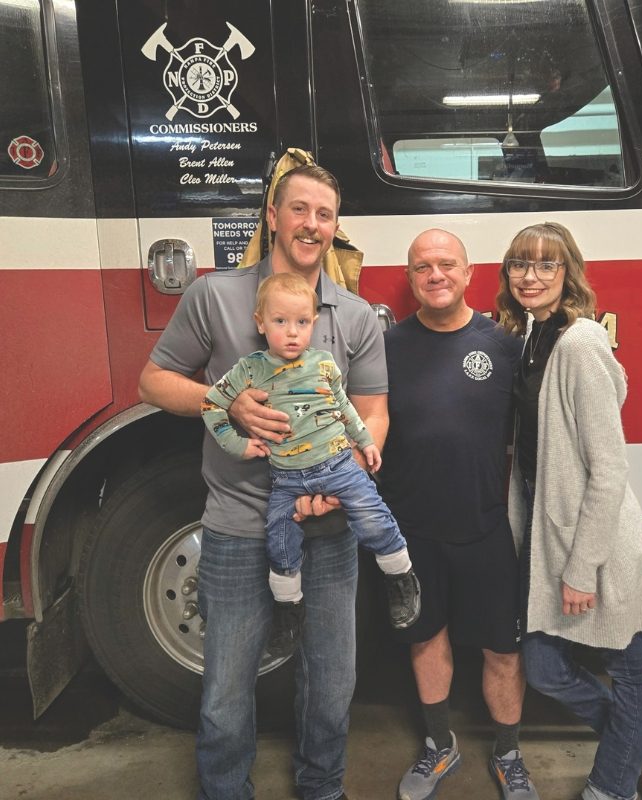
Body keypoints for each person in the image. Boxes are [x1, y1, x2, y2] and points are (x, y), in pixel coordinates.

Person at [139, 163, 387, 800]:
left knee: (332, 690)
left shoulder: (356, 316)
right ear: (272, 217)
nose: (311, 224)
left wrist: (348, 475)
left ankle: (322, 789)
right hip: (236, 526)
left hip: (330, 530)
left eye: (324, 214)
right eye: (299, 209)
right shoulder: (214, 297)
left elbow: (374, 411)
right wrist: (224, 405)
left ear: (335, 228)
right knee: (224, 691)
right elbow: (154, 381)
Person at [498, 221, 642, 800]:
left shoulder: (580, 343)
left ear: (567, 272)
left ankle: (611, 785)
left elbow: (609, 467)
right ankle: (636, 735)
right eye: (520, 264)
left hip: (593, 542)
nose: (531, 276)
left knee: (629, 666)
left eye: (546, 265)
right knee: (544, 668)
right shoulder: (533, 335)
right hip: (551, 537)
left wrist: (581, 566)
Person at [380, 229, 538, 800]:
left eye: (447, 264)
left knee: (503, 648)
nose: (435, 274)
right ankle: (439, 746)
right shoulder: (388, 347)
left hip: (485, 528)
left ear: (471, 274)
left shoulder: (503, 344)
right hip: (412, 532)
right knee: (426, 640)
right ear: (411, 278)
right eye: (422, 266)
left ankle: (509, 752)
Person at [200, 272, 420, 657]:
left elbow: (346, 408)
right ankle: (290, 610)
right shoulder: (249, 370)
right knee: (279, 541)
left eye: (301, 322)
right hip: (286, 478)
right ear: (260, 323)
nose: (291, 333)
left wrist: (366, 441)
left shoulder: (324, 364)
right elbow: (211, 405)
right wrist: (237, 443)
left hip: (339, 465)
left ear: (313, 324)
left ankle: (401, 577)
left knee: (373, 519)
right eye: (280, 321)